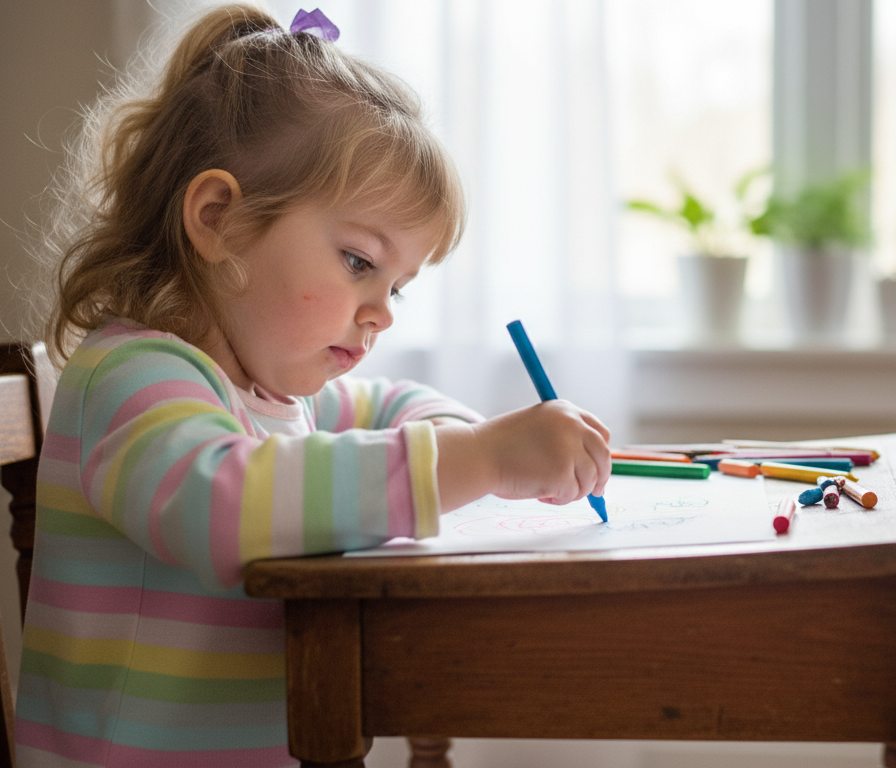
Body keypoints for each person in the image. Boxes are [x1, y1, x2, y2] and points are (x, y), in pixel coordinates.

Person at [16, 4, 611, 766]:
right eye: (360, 262)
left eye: (396, 288)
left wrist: (477, 438)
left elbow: (390, 404)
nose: (380, 313)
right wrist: (483, 459)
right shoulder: (128, 378)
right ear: (219, 220)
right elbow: (223, 508)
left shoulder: (272, 392)